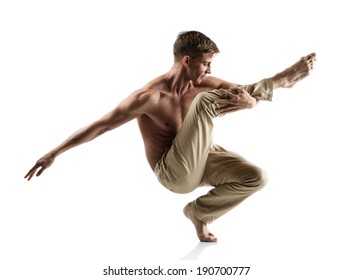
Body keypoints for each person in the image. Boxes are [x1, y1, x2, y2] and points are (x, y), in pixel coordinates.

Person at [25, 31, 316, 242]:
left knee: (257, 176)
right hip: (173, 172)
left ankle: (199, 213)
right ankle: (281, 81)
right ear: (187, 60)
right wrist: (54, 153)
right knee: (207, 102)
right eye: (205, 63)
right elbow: (101, 125)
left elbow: (243, 93)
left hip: (202, 158)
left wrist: (264, 92)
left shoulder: (204, 83)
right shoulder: (149, 97)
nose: (210, 70)